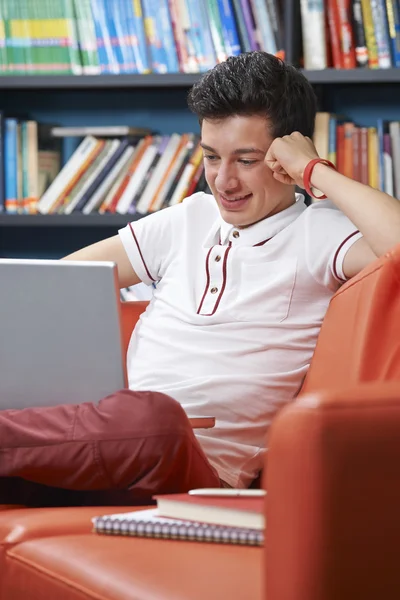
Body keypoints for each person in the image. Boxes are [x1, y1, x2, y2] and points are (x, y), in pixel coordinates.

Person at [1, 52, 399, 507]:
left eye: (246, 160)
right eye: (212, 157)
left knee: (156, 419)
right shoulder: (188, 218)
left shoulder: (321, 232)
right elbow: (46, 288)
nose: (223, 181)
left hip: (195, 469)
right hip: (98, 448)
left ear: (287, 154)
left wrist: (315, 170)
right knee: (137, 413)